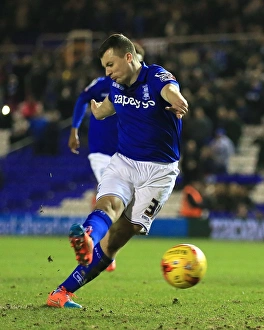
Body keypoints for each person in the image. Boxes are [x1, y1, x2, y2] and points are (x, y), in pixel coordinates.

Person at [47, 33, 188, 308]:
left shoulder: (155, 76)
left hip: (159, 172)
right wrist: (99, 112)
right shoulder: (116, 87)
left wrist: (178, 99)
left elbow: (170, 90)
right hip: (124, 162)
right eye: (104, 68)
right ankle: (86, 241)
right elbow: (108, 108)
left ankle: (62, 291)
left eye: (110, 65)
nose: (107, 72)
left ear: (128, 56)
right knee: (108, 206)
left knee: (122, 234)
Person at [67, 42, 145, 272]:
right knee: (113, 197)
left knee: (123, 203)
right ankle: (93, 242)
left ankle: (102, 246)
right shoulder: (102, 84)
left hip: (128, 153)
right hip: (101, 152)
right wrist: (74, 129)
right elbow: (82, 100)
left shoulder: (143, 89)